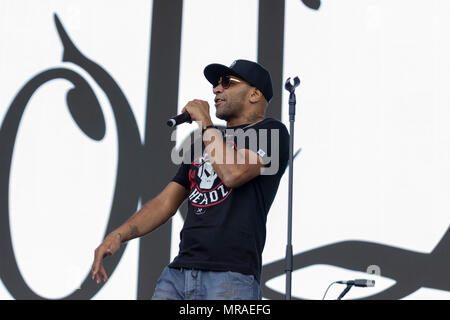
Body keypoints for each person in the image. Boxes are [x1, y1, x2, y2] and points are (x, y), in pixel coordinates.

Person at [91, 59, 289, 300]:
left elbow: (233, 173)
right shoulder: (205, 141)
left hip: (230, 277)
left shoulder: (271, 132)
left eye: (227, 83)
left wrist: (205, 121)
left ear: (255, 94)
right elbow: (165, 202)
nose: (217, 89)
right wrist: (119, 235)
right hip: (178, 274)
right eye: (216, 84)